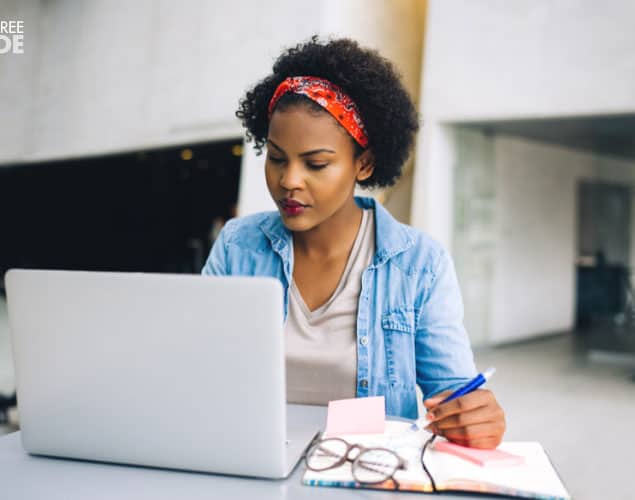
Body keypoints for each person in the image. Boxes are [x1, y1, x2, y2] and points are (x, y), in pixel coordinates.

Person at [202, 36, 505, 449]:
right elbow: (200, 365)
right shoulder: (238, 245)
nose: (289, 180)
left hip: (366, 468)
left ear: (363, 163)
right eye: (276, 158)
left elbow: (453, 396)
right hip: (249, 453)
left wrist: (474, 416)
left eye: (316, 164)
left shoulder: (419, 263)